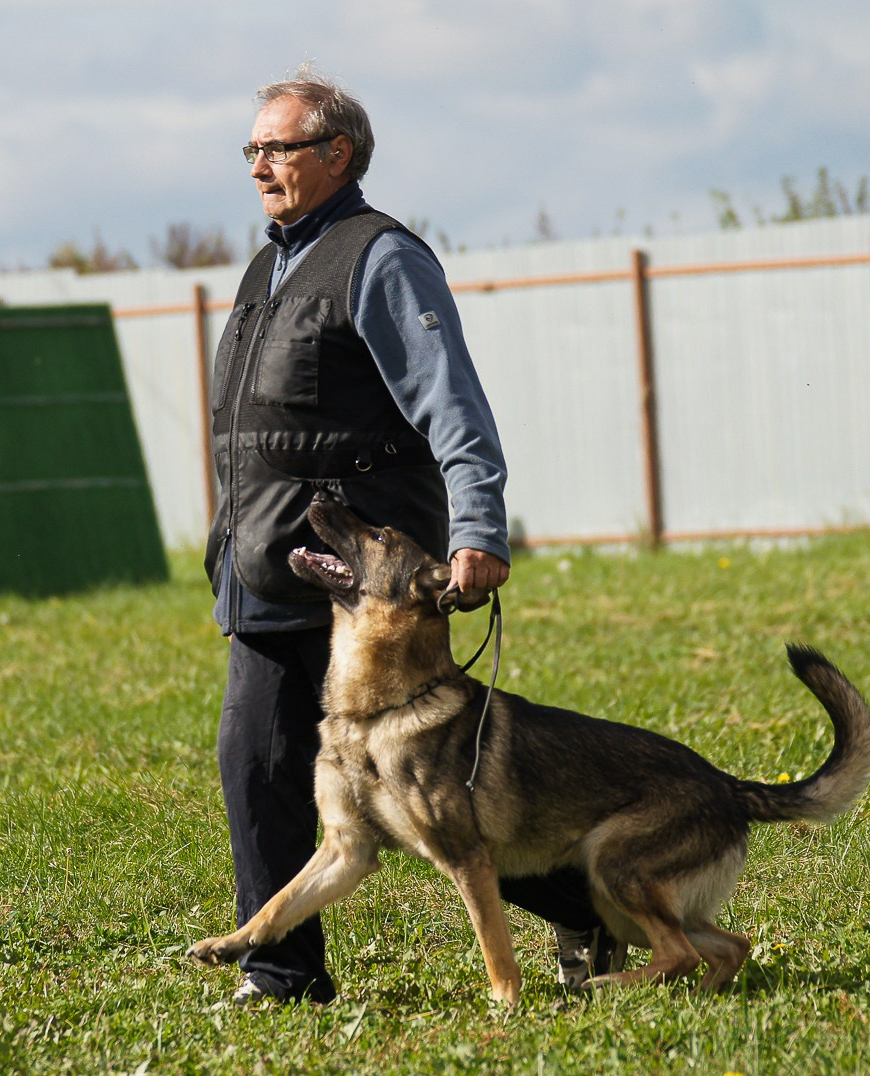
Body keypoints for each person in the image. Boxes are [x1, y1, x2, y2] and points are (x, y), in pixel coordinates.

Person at [203, 64, 619, 1007]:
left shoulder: (381, 258)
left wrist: (478, 526)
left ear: (336, 152)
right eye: (251, 149)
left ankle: (579, 904)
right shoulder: (268, 266)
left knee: (429, 791)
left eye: (277, 148)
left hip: (369, 585)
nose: (258, 165)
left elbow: (451, 402)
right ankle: (284, 974)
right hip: (274, 563)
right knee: (258, 764)